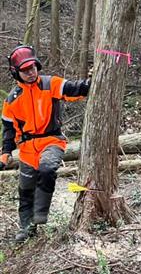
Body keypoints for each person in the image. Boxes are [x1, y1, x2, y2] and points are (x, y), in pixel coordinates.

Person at [0, 45, 91, 242]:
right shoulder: (12, 100)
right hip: (26, 150)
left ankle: (41, 214)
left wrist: (90, 83)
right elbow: (8, 130)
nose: (31, 72)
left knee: (48, 167)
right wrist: (5, 153)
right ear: (16, 72)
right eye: (25, 70)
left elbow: (74, 89)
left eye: (33, 67)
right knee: (25, 191)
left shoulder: (51, 84)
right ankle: (26, 229)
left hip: (52, 140)